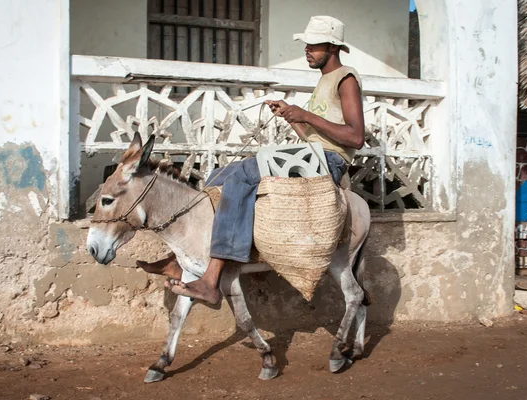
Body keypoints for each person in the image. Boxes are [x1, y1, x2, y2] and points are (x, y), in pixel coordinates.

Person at [139, 15, 365, 304]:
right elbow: (314, 136)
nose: (306, 50)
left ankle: (211, 280)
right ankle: (183, 259)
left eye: (313, 45)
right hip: (314, 154)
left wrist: (305, 114)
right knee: (221, 174)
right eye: (306, 45)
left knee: (242, 174)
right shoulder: (324, 81)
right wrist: (291, 115)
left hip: (328, 162)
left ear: (332, 47)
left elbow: (355, 137)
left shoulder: (345, 78)